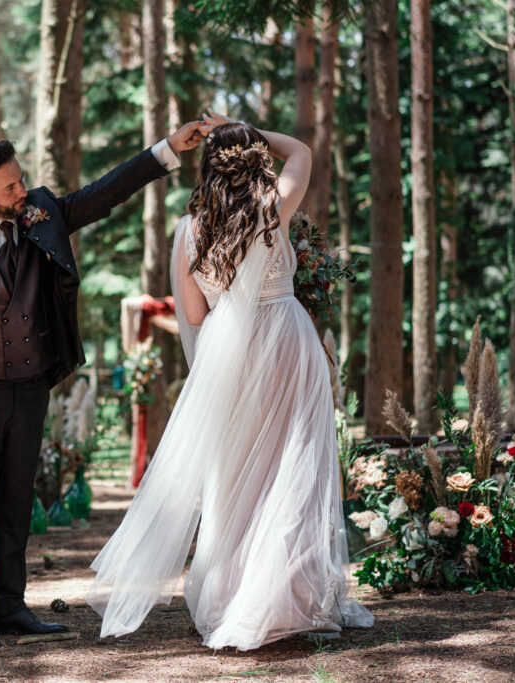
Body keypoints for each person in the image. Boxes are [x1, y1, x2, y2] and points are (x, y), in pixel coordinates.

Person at [87, 110, 374, 650]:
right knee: (294, 465)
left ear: (208, 170)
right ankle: (290, 595)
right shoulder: (273, 208)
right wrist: (239, 125)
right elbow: (303, 153)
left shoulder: (190, 230)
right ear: (257, 162)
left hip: (231, 357)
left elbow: (193, 315)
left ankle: (236, 594)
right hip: (287, 342)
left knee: (237, 474)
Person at [0, 122, 206, 647]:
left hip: (28, 388)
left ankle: (8, 607)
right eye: (9, 187)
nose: (21, 192)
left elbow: (105, 192)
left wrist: (165, 151)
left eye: (21, 180)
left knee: (17, 501)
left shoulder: (44, 215)